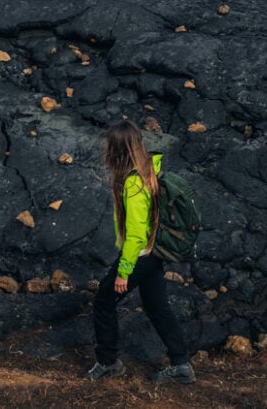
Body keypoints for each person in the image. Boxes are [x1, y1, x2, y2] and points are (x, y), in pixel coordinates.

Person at [86, 120, 195, 384]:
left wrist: (124, 272)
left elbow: (135, 234)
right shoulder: (149, 169)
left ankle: (108, 362)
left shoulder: (134, 184)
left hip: (141, 255)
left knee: (103, 302)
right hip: (153, 252)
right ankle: (181, 366)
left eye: (109, 146)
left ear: (119, 150)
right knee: (158, 307)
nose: (106, 151)